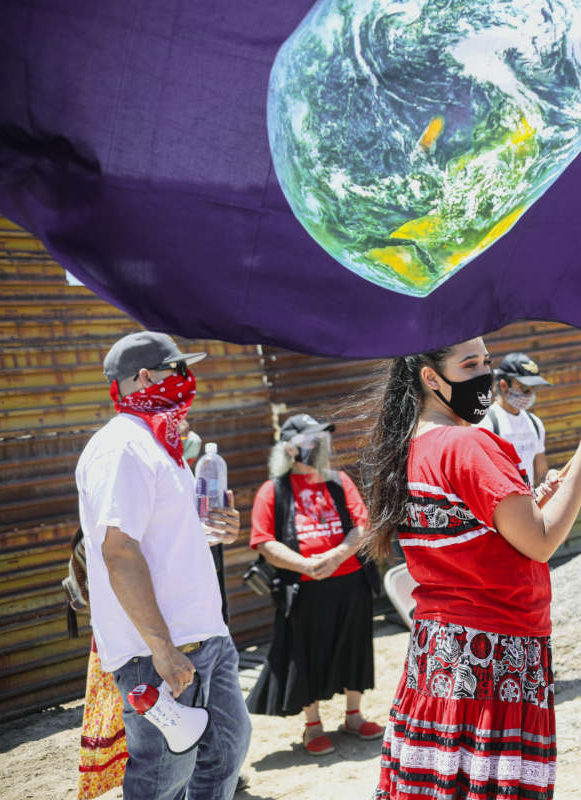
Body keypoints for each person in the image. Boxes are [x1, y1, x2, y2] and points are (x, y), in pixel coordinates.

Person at [360, 337, 581, 800]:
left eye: (486, 361)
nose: (484, 374)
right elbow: (540, 541)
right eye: (470, 365)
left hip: (438, 655)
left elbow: (467, 532)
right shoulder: (468, 445)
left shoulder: (408, 446)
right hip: (496, 657)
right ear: (430, 378)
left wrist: (531, 501)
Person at [74, 330, 251, 800]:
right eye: (179, 370)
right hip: (160, 650)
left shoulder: (161, 443)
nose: (188, 380)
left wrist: (218, 530)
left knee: (225, 755)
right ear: (148, 377)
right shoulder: (121, 448)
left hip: (206, 634)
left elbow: (165, 537)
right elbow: (119, 551)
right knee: (163, 779)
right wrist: (162, 648)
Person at [246, 413, 384, 755]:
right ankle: (313, 726)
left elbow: (361, 526)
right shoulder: (272, 490)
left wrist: (337, 555)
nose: (318, 447)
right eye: (310, 441)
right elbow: (264, 542)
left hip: (351, 581)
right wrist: (305, 564)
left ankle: (354, 716)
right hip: (303, 589)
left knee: (355, 647)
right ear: (291, 450)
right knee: (304, 654)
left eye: (320, 440)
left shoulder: (339, 481)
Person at [480, 352, 554, 491]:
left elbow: (541, 472)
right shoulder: (486, 424)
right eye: (525, 387)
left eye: (534, 388)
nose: (530, 394)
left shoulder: (535, 423)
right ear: (503, 385)